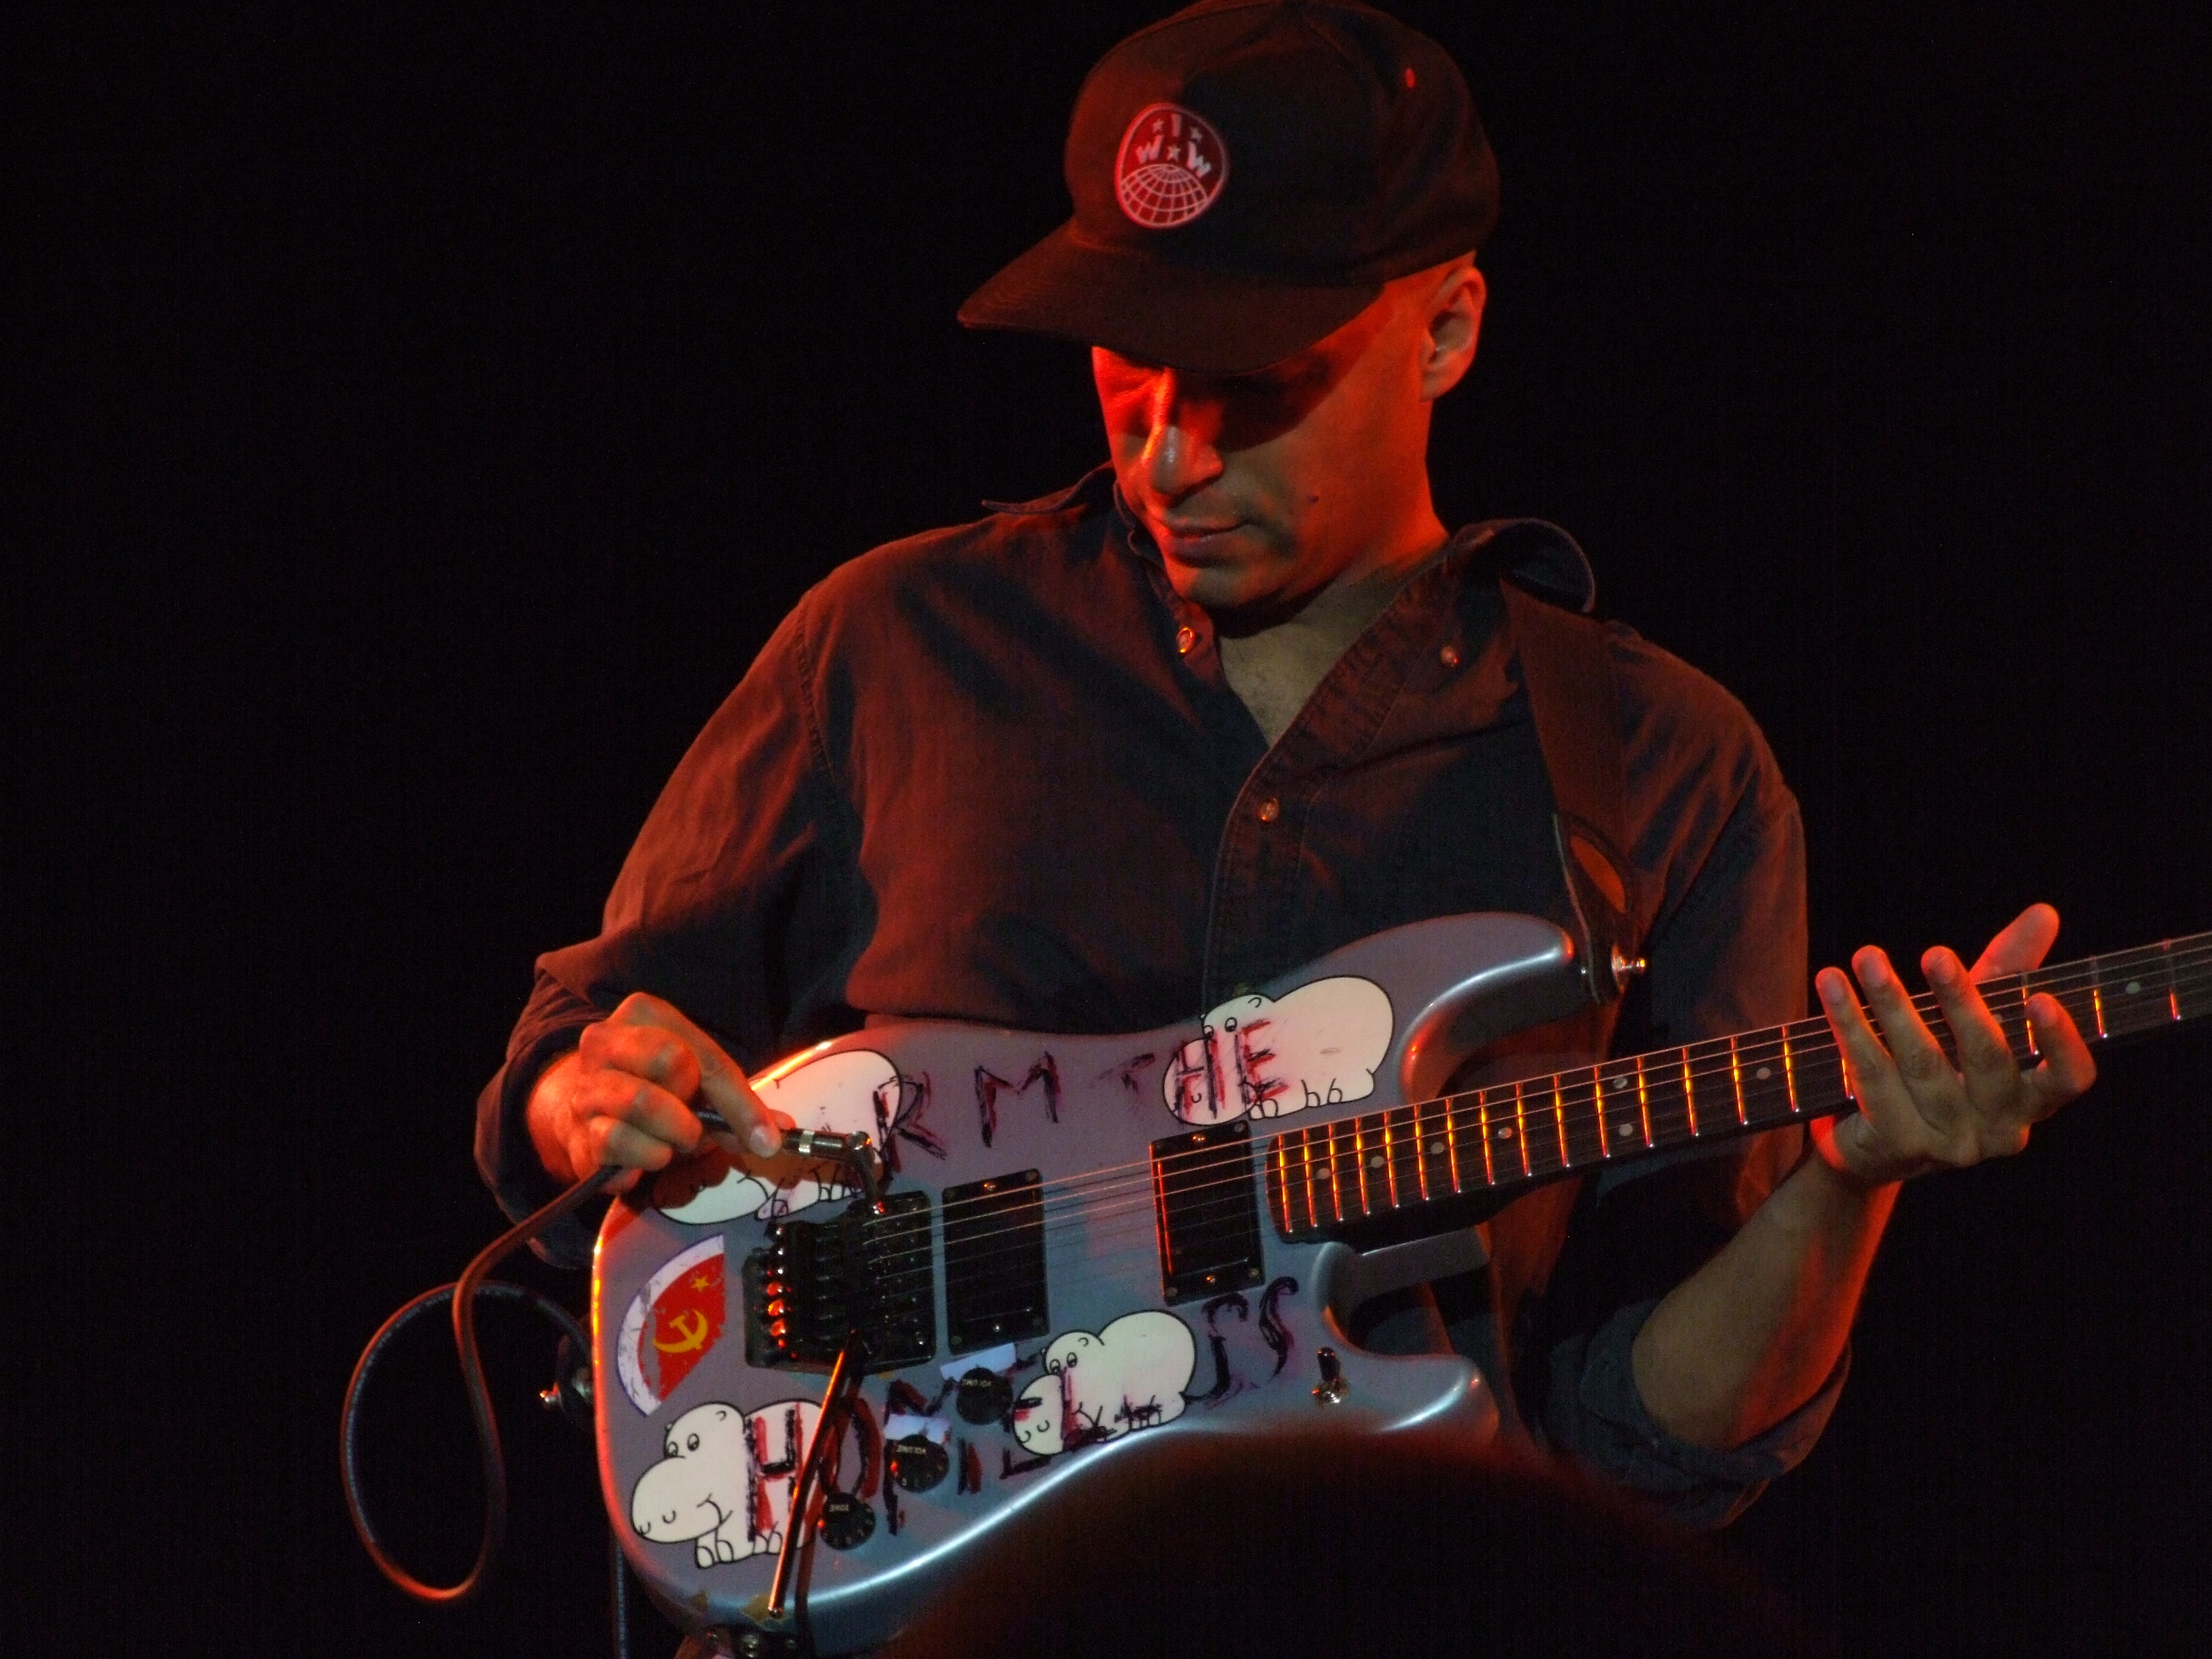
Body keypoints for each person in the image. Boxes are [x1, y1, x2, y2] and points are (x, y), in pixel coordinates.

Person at [478, 0, 2094, 1539]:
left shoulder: (1668, 767)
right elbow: (576, 1046)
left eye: (1252, 380)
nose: (1168, 452)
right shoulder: (893, 644)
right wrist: (580, 1095)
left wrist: (1856, 1183)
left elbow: (1641, 1436)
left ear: (1446, 325)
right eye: (1126, 364)